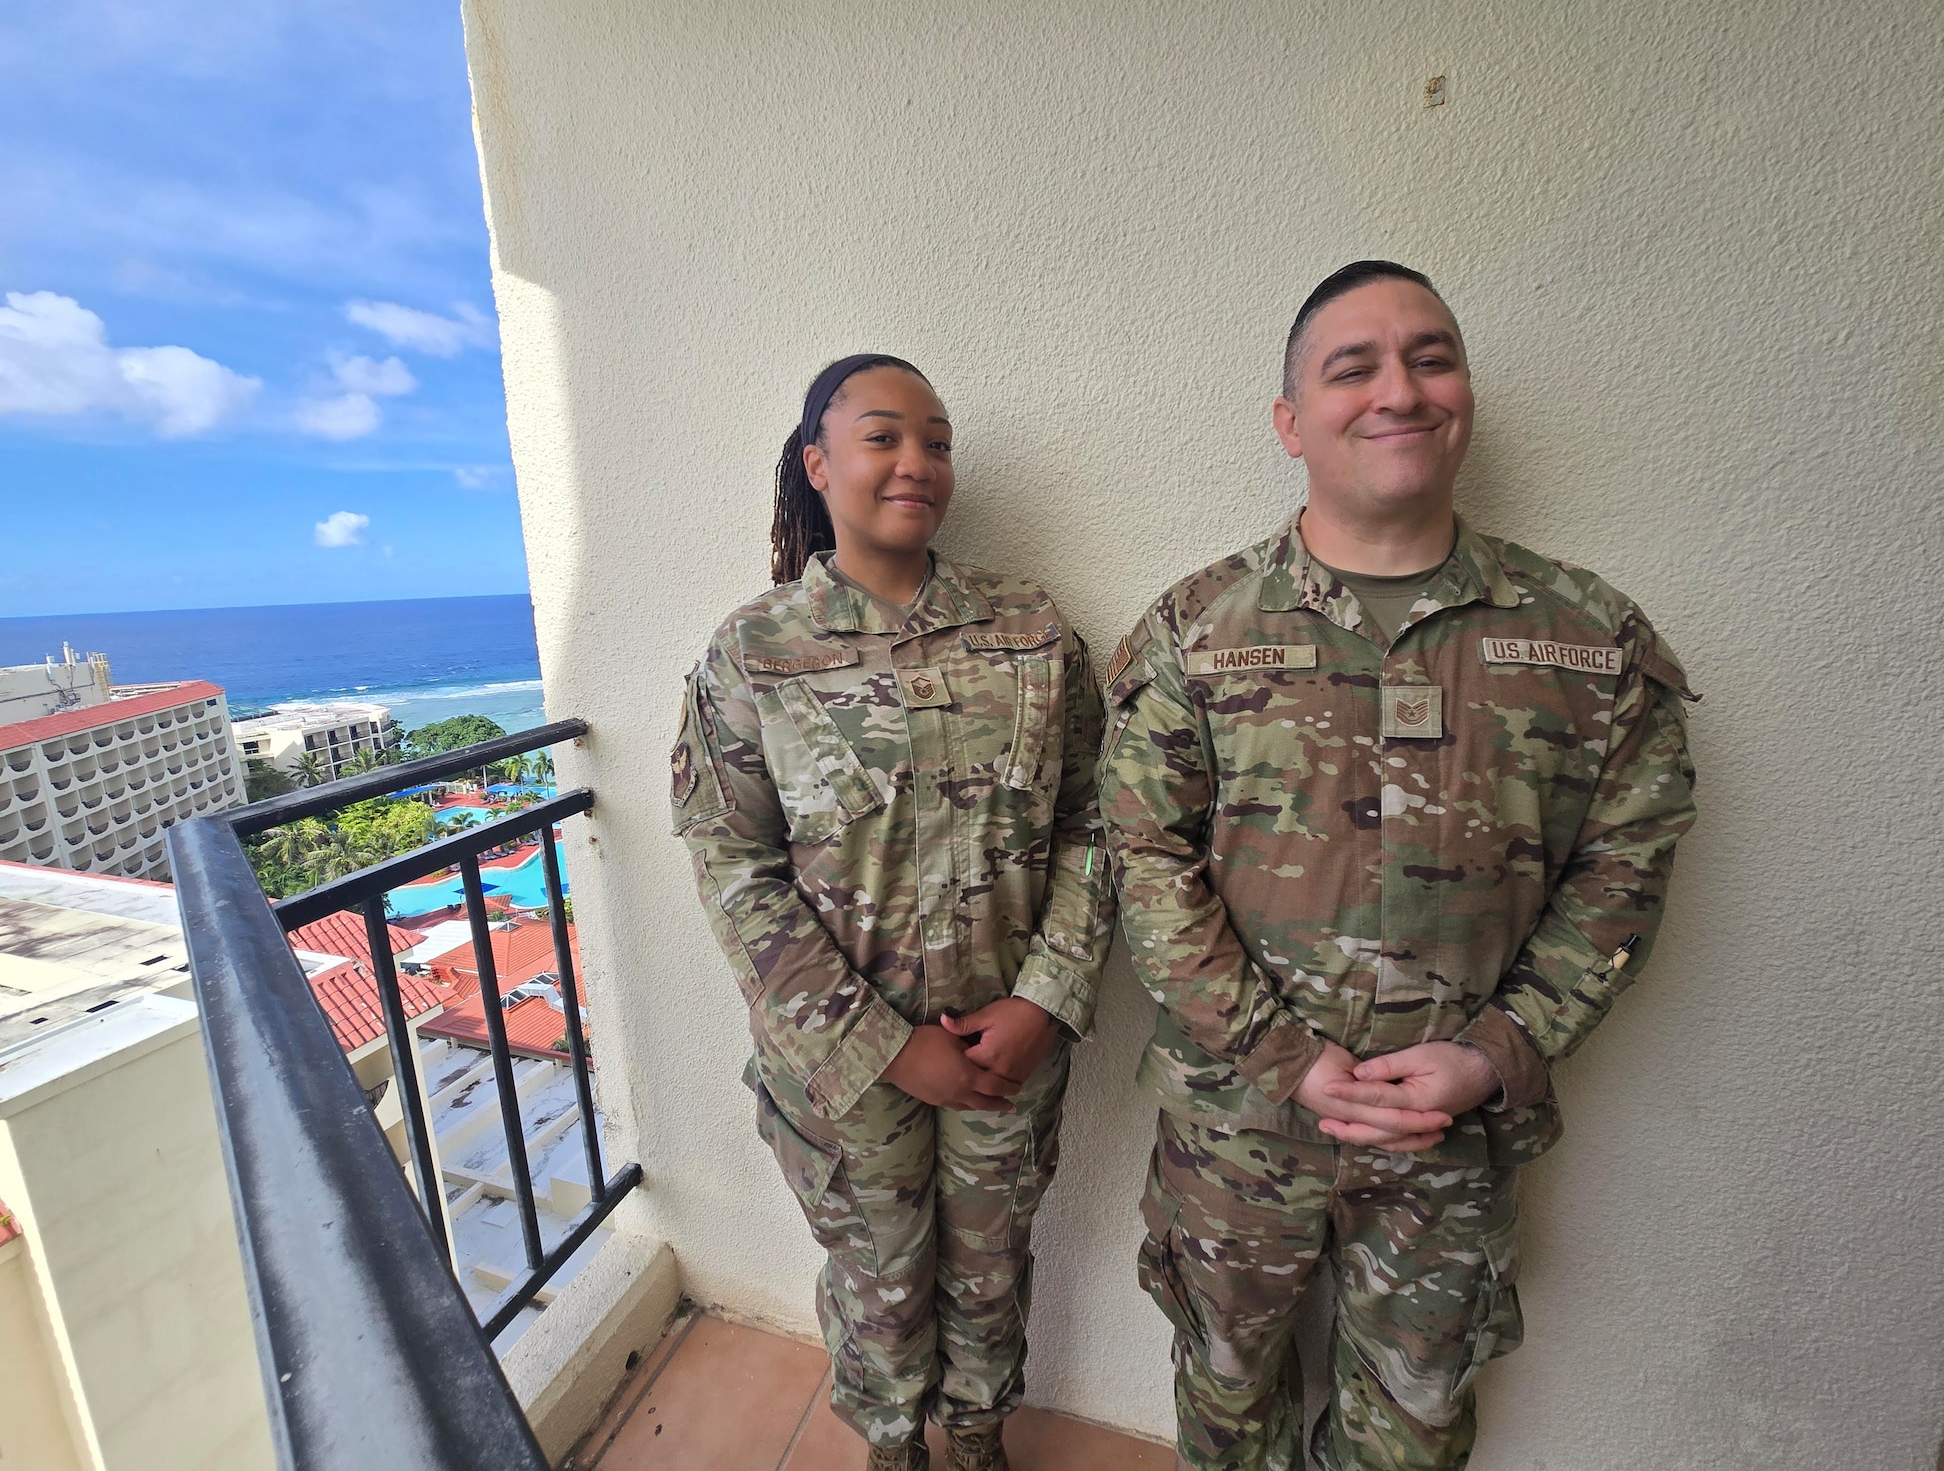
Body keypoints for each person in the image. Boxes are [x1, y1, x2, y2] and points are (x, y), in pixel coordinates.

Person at [1099, 262, 1699, 1471]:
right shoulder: (1196, 632)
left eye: (1430, 358)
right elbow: (1142, 855)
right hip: (1240, 1126)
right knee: (1225, 1392)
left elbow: (1623, 871)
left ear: (1462, 393)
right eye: (1352, 366)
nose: (1399, 391)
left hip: (1449, 1133)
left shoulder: (1584, 640)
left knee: (1416, 1426)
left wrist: (1495, 1053)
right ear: (1288, 422)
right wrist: (1280, 1055)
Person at [671, 354, 1115, 1471]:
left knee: (992, 1266)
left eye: (937, 439)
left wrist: (1043, 1000)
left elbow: (1094, 824)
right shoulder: (753, 654)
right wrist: (881, 1046)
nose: (917, 462)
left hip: (1006, 1046)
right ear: (817, 463)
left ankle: (973, 1445)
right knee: (877, 1284)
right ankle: (891, 1448)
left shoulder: (1028, 630)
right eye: (883, 437)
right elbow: (733, 868)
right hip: (843, 1079)